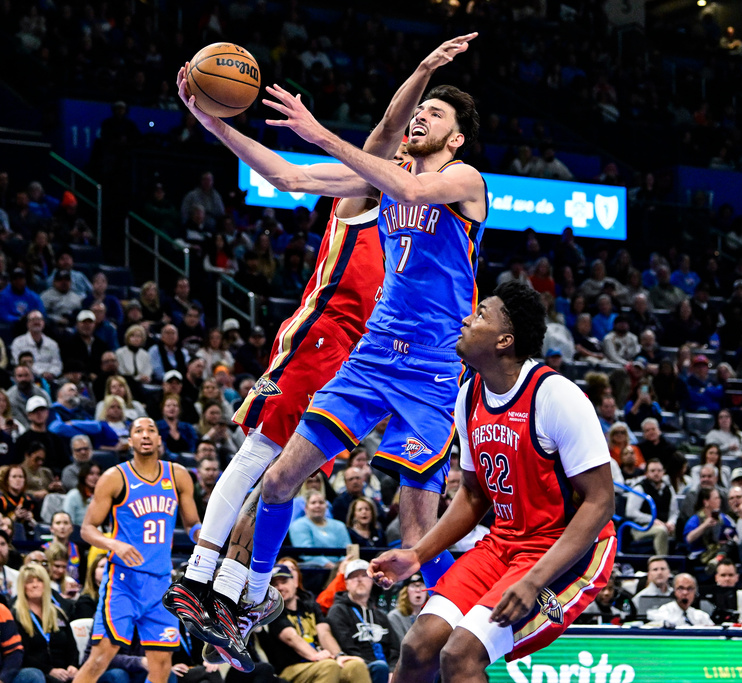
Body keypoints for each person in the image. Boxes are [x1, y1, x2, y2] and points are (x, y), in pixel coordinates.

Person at [165, 33, 481, 666]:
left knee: (416, 529)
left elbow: (409, 187)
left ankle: (465, 629)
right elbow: (284, 174)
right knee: (279, 477)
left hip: (431, 372)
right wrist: (207, 116)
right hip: (369, 359)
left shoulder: (461, 180)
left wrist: (317, 128)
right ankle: (247, 595)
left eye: (435, 114)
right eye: (420, 109)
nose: (420, 117)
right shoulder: (377, 182)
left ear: (455, 139)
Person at [369, 282, 616, 679]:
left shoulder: (556, 396)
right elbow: (472, 493)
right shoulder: (469, 396)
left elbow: (601, 502)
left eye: (481, 313)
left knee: (460, 656)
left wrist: (536, 579)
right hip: (505, 542)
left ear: (504, 341)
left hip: (570, 549)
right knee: (418, 646)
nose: (467, 319)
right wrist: (418, 554)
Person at [72, 418, 201, 683]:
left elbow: (191, 524)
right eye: (138, 431)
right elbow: (87, 529)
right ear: (130, 441)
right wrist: (113, 543)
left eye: (151, 430)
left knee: (162, 664)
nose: (145, 435)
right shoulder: (114, 477)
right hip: (124, 581)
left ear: (159, 440)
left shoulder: (178, 475)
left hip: (161, 582)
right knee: (100, 657)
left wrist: (204, 537)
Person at [257, 564, 369, 683]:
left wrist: (339, 655)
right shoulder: (272, 611)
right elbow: (291, 637)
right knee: (328, 666)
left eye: (284, 582)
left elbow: (324, 633)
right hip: (289, 668)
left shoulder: (310, 606)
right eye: (274, 584)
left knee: (356, 666)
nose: (280, 587)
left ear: (295, 582)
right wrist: (316, 656)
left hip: (319, 662)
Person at [326, 560, 399, 683]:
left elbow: (395, 649)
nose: (359, 580)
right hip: (360, 667)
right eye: (354, 577)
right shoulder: (338, 611)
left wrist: (392, 671)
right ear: (346, 583)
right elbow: (347, 647)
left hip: (386, 669)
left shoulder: (379, 615)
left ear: (372, 581)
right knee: (380, 667)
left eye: (364, 576)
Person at [12, 563, 79, 683]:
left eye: (39, 580)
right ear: (22, 586)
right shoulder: (16, 615)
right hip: (36, 672)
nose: (35, 585)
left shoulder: (58, 613)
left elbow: (72, 647)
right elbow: (21, 654)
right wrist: (49, 670)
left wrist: (73, 666)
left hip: (64, 672)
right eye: (29, 581)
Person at [289, 492, 351, 569]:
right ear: (306, 508)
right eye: (313, 503)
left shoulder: (339, 525)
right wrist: (330, 566)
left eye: (321, 502)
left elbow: (348, 550)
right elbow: (307, 552)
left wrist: (341, 565)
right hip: (314, 571)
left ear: (326, 506)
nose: (317, 506)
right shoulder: (298, 525)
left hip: (342, 568)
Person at [645, 574, 714, 626]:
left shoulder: (701, 616)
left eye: (689, 589)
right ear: (674, 591)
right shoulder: (664, 612)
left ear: (695, 592)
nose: (685, 593)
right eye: (680, 588)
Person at [387, 574, 427, 644]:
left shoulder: (431, 616)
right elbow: (401, 645)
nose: (418, 590)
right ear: (406, 591)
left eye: (421, 585)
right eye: (413, 586)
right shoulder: (395, 617)